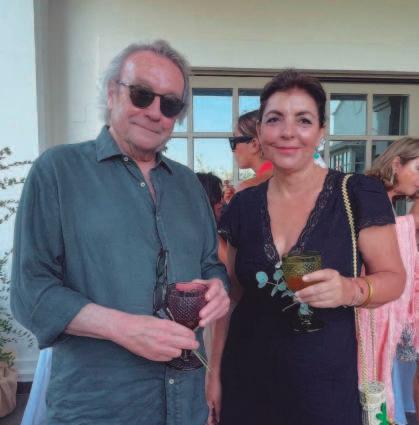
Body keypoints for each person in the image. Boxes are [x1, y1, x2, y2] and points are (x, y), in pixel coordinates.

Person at [10, 40, 229, 425]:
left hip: (187, 404)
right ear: (112, 93)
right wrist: (123, 328)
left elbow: (210, 264)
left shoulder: (188, 185)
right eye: (142, 94)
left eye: (170, 104)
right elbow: (31, 292)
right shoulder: (59, 171)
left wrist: (218, 289)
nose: (155, 112)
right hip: (99, 408)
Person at [206, 69, 405, 425]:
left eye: (303, 120)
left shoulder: (357, 194)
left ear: (321, 132)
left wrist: (350, 289)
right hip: (245, 380)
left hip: (323, 386)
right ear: (260, 133)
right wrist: (214, 375)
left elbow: (394, 279)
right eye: (274, 119)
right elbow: (232, 298)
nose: (288, 132)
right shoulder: (243, 206)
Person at [366, 138, 419, 423]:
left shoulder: (382, 197)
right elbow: (379, 239)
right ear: (396, 164)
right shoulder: (370, 193)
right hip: (366, 304)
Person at [223, 110, 273, 203]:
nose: (233, 150)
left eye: (233, 141)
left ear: (254, 144)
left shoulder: (247, 189)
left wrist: (234, 203)